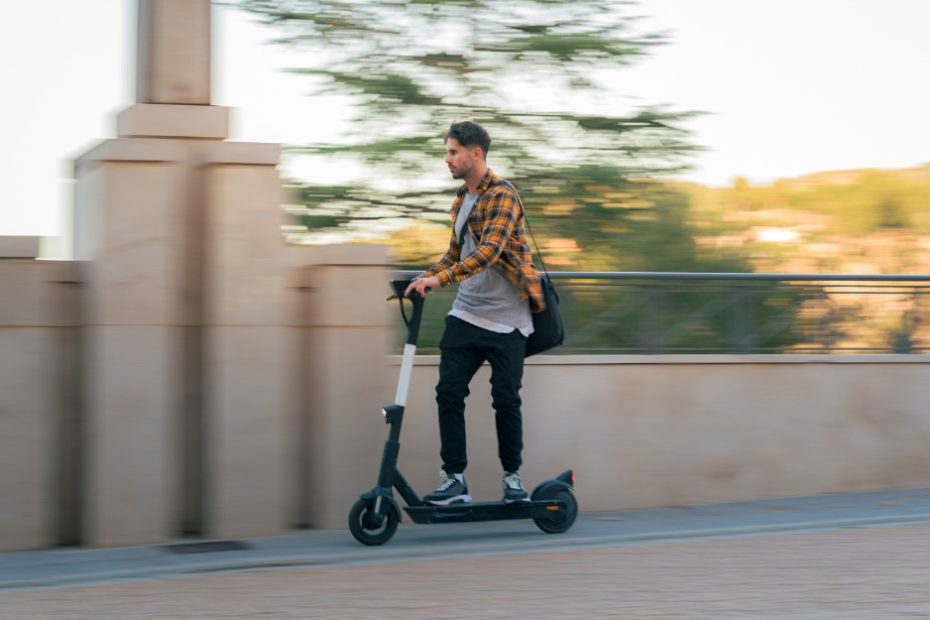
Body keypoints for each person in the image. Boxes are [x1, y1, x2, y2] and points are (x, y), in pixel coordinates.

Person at [405, 120, 545, 505]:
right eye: (447, 151)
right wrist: (427, 276)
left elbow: (489, 253)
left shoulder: (503, 196)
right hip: (467, 313)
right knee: (448, 393)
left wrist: (442, 279)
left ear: (475, 153)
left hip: (507, 319)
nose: (446, 159)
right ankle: (454, 479)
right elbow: (456, 254)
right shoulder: (460, 200)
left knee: (505, 399)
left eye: (452, 152)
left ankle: (513, 479)